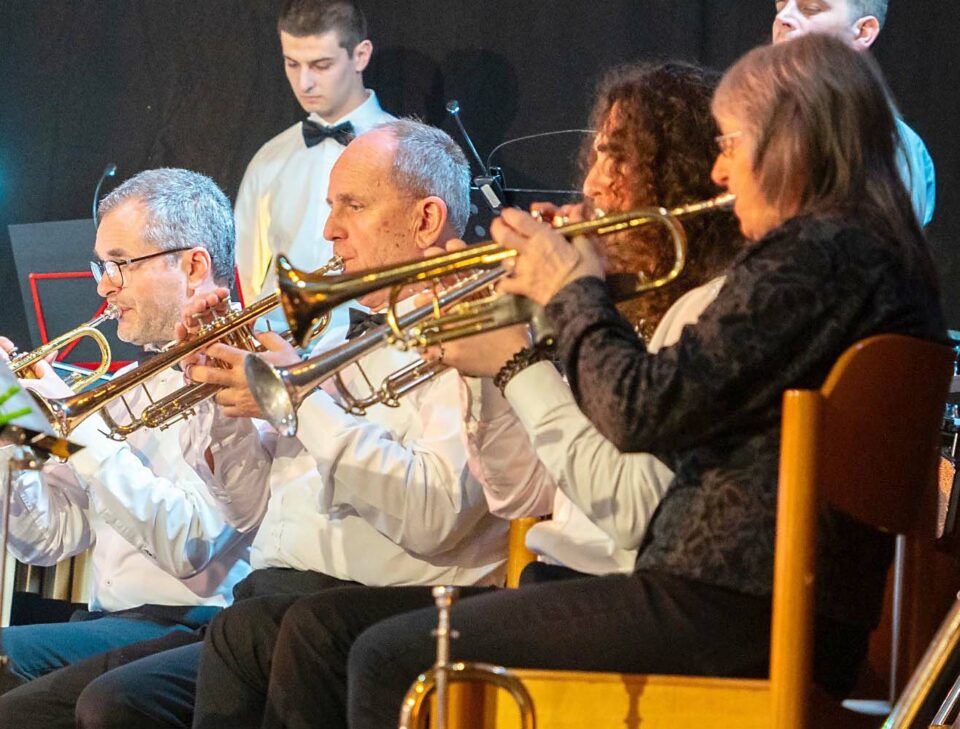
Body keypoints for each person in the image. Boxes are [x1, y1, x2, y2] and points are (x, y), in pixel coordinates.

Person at [334, 33, 945, 728]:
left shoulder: (812, 259)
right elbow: (664, 403)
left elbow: (638, 410)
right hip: (775, 609)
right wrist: (575, 305)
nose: (721, 171)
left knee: (390, 658)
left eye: (732, 144)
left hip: (725, 608)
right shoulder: (876, 262)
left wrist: (571, 291)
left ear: (792, 145)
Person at [187, 62, 744, 729]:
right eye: (595, 157)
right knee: (252, 636)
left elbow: (592, 512)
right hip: (535, 580)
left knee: (329, 639)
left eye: (618, 158)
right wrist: (498, 371)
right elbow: (523, 492)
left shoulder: (695, 316)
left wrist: (517, 356)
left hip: (602, 591)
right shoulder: (605, 316)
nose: (593, 185)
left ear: (678, 175)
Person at [77, 120, 509, 729]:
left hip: (337, 615)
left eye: (353, 206)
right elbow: (251, 509)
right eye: (330, 207)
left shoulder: (477, 342)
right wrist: (222, 403)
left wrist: (299, 400)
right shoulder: (331, 344)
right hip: (259, 604)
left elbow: (435, 517)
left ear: (426, 219)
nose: (329, 229)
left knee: (120, 701)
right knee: (109, 697)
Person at [0, 168, 251, 728]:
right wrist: (12, 421)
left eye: (120, 264)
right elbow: (50, 537)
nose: (103, 286)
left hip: (192, 626)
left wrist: (76, 425)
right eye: (101, 266)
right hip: (105, 623)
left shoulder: (244, 378)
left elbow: (190, 545)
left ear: (193, 265)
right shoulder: (122, 387)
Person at [234, 0, 393, 309]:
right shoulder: (269, 159)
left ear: (360, 56)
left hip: (381, 332)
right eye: (292, 64)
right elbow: (243, 270)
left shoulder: (408, 153)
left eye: (321, 65)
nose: (304, 83)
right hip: (279, 334)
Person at [772, 0, 935, 225]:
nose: (782, 19)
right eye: (781, 6)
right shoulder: (751, 117)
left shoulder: (893, 145)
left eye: (811, 9)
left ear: (862, 31)